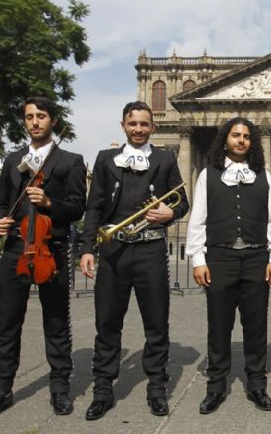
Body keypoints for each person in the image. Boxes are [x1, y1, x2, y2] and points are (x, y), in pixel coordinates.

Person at [0, 96, 86, 421]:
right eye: (29, 117)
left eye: (41, 116)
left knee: (56, 322)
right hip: (14, 250)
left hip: (51, 250)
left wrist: (51, 203)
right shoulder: (13, 161)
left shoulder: (70, 160)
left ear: (53, 119)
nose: (35, 121)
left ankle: (60, 388)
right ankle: (0, 390)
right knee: (7, 323)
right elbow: (0, 203)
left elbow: (78, 206)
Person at [79, 101, 189, 420]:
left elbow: (182, 203)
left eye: (144, 124)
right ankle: (103, 388)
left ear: (152, 127)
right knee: (107, 322)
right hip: (114, 252)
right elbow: (94, 207)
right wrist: (88, 247)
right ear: (123, 125)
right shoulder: (105, 159)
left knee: (156, 323)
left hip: (151, 250)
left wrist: (171, 213)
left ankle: (156, 387)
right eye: (133, 123)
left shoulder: (166, 159)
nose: (138, 129)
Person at [186, 117, 271, 414]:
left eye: (246, 136)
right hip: (220, 257)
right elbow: (198, 219)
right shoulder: (208, 174)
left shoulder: (263, 174)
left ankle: (257, 384)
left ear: (252, 141)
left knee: (256, 325)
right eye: (235, 135)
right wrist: (198, 259)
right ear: (225, 140)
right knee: (219, 324)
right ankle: (216, 386)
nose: (241, 140)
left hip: (256, 257)